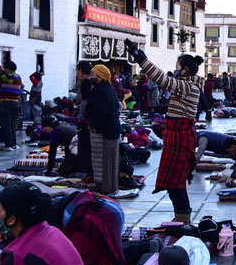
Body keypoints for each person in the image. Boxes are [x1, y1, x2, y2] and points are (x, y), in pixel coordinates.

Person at [129, 42, 203, 224]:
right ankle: (181, 217)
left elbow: (161, 78)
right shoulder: (187, 85)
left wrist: (141, 58)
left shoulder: (187, 86)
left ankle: (183, 220)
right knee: (174, 183)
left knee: (176, 184)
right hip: (177, 137)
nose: (175, 71)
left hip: (180, 138)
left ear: (185, 70)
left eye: (177, 68)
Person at [86, 65, 120, 195]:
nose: (91, 76)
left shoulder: (100, 90)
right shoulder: (109, 88)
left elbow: (99, 111)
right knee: (112, 160)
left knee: (104, 160)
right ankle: (112, 187)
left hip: (106, 130)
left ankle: (105, 188)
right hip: (113, 128)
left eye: (93, 74)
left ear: (99, 76)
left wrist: (93, 125)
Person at [0, 61, 23, 149]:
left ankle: (8, 144)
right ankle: (13, 143)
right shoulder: (18, 77)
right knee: (12, 124)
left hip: (7, 102)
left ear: (7, 68)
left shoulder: (8, 75)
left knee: (6, 124)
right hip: (16, 102)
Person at [75, 61, 95, 178]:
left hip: (87, 120)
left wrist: (80, 118)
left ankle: (88, 172)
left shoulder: (86, 83)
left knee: (85, 146)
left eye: (77, 70)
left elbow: (84, 102)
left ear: (81, 70)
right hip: (90, 118)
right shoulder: (89, 82)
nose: (77, 73)